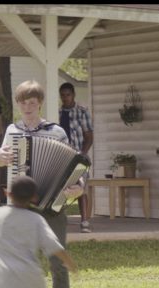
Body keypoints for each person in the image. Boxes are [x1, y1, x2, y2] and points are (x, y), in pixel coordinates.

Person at [0, 80, 85, 288]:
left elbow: (73, 166)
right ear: (18, 104)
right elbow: (0, 157)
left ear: (40, 104)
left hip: (53, 204)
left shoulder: (56, 132)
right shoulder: (12, 131)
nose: (28, 107)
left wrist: (78, 188)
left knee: (57, 260)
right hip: (22, 206)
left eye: (32, 102)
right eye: (23, 102)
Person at [59, 82, 94, 233]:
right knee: (60, 188)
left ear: (73, 95)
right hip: (62, 156)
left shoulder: (82, 112)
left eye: (68, 94)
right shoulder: (58, 113)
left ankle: (85, 221)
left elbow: (89, 137)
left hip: (79, 155)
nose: (65, 98)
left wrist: (83, 154)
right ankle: (58, 219)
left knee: (81, 188)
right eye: (62, 95)